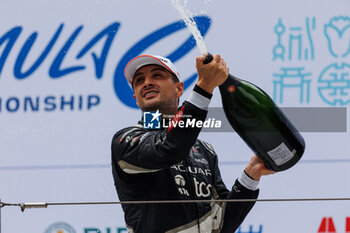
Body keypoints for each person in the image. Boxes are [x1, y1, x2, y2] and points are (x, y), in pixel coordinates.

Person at [111, 54, 274, 233]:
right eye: (139, 80)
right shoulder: (125, 140)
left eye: (157, 75)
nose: (147, 82)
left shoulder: (204, 150)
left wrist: (251, 175)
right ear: (135, 97)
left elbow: (222, 224)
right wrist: (204, 88)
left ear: (179, 89)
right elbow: (168, 148)